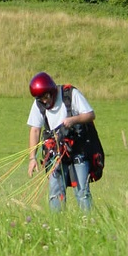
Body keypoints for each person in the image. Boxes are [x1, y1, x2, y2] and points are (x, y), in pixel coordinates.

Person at [27, 72, 95, 212]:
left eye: (46, 97)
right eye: (40, 99)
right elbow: (35, 130)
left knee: (82, 191)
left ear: (52, 91)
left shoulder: (70, 94)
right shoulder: (38, 104)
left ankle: (89, 223)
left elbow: (90, 114)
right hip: (55, 153)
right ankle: (56, 226)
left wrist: (73, 120)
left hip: (78, 150)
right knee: (55, 194)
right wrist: (32, 157)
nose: (44, 101)